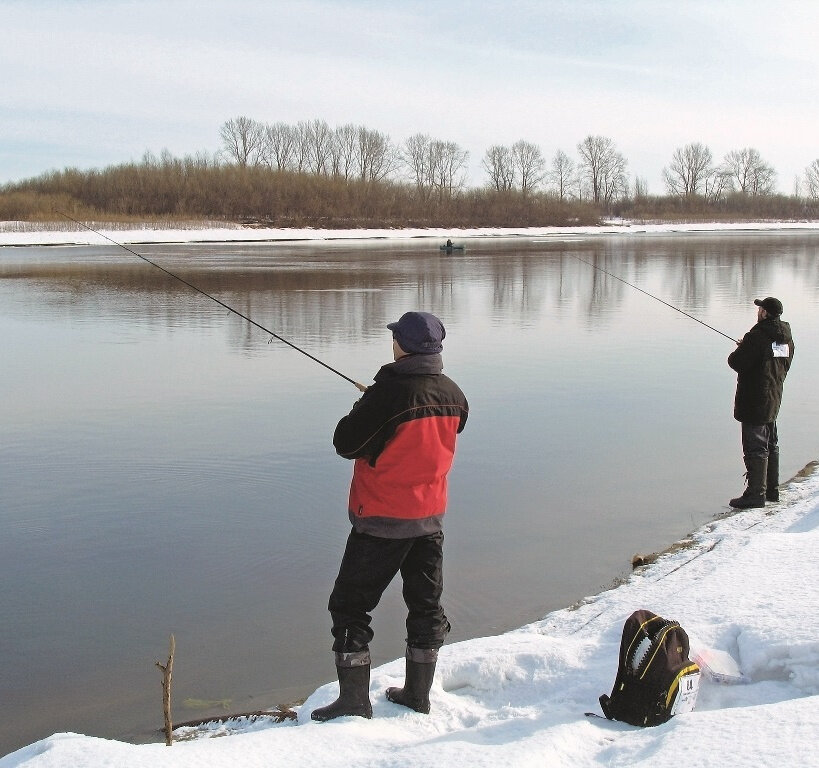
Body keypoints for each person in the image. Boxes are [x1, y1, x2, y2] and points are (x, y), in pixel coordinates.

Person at [311, 311, 469, 722]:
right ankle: (418, 696)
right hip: (430, 519)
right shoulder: (454, 394)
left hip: (382, 520)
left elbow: (346, 442)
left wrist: (366, 404)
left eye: (396, 336)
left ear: (405, 345)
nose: (392, 342)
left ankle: (353, 701)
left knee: (349, 607)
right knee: (425, 606)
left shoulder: (387, 395)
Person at [727, 296, 794, 508]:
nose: (758, 312)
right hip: (774, 395)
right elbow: (780, 364)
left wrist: (743, 347)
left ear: (764, 313)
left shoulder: (757, 336)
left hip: (755, 398)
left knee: (756, 446)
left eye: (760, 309)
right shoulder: (786, 339)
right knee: (771, 444)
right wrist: (749, 348)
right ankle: (771, 490)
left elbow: (736, 362)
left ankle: (755, 495)